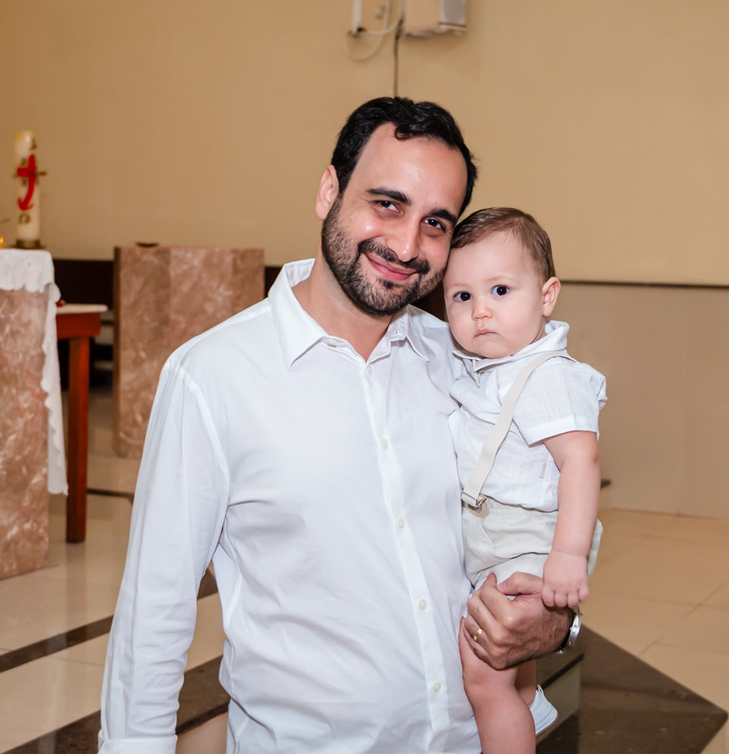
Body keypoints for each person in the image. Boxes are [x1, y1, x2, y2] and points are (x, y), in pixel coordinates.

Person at [98, 98, 572, 754]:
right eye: (387, 203)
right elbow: (155, 613)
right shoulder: (214, 377)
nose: (408, 245)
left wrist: (556, 622)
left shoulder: (463, 366)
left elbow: (537, 512)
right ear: (329, 190)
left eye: (436, 222)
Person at [442, 208, 606, 754]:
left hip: (525, 540)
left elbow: (580, 463)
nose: (480, 310)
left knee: (482, 669)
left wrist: (568, 557)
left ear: (547, 295)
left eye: (500, 290)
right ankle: (523, 714)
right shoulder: (488, 367)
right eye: (461, 297)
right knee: (511, 669)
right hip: (493, 536)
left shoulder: (547, 376)